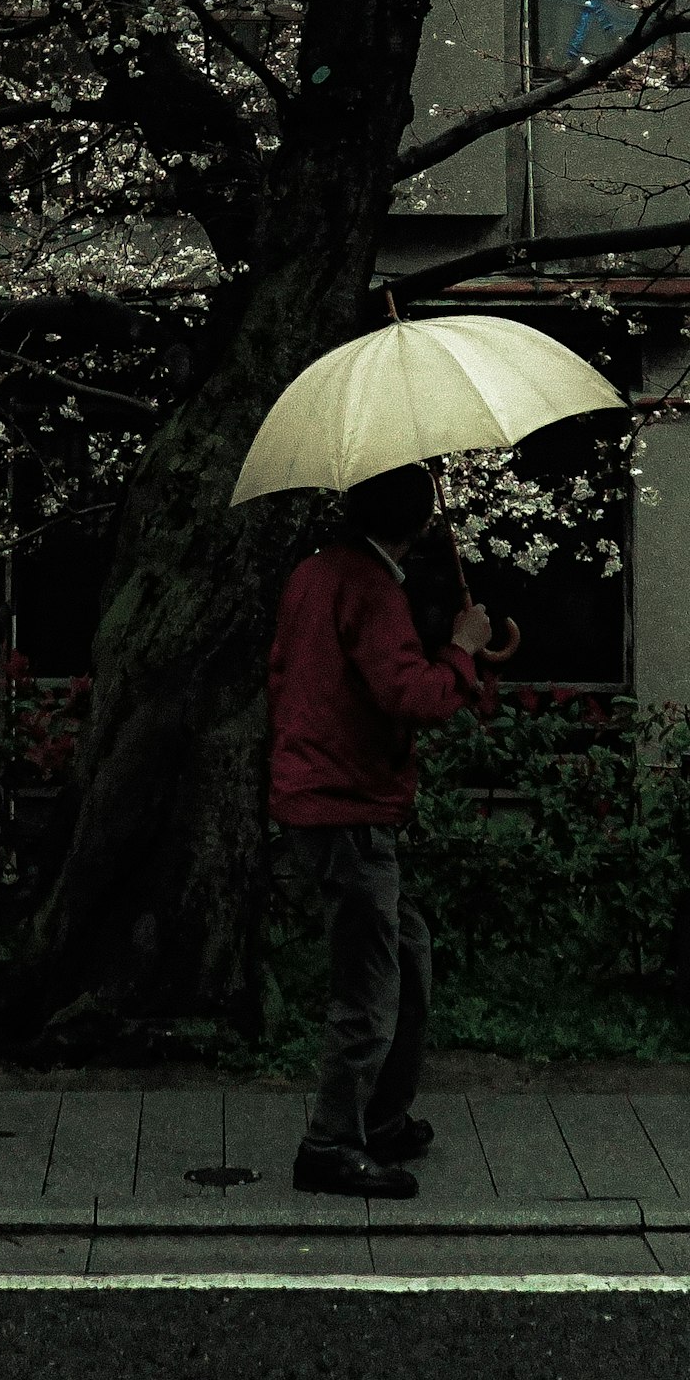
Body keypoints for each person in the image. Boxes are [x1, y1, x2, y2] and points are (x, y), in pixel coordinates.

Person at [267, 460, 490, 1200]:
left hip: (324, 796)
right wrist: (463, 648)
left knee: (406, 952)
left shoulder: (315, 574)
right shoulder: (369, 587)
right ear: (421, 522)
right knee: (368, 982)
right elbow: (411, 695)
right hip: (348, 806)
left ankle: (382, 1116)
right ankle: (329, 1142)